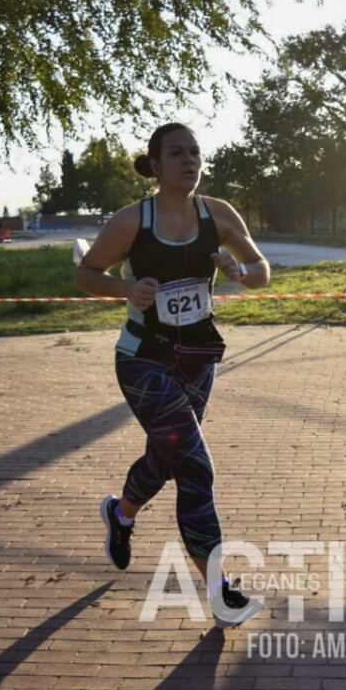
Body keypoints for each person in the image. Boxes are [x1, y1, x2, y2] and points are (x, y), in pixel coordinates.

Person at [75, 123, 270, 629]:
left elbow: (261, 268)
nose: (190, 160)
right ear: (156, 166)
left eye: (195, 151)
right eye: (177, 153)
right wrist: (126, 291)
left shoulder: (218, 213)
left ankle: (121, 514)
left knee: (167, 457)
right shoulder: (131, 221)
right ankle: (221, 594)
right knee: (196, 467)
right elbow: (85, 274)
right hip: (144, 358)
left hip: (198, 358)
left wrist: (240, 273)